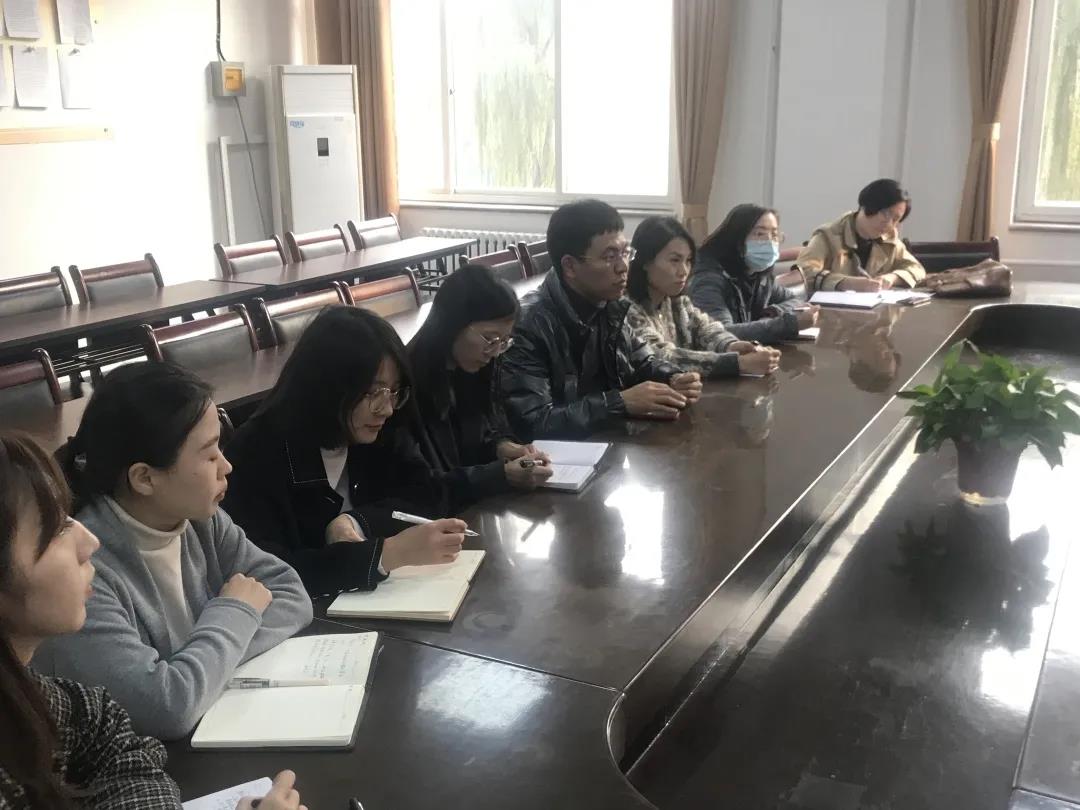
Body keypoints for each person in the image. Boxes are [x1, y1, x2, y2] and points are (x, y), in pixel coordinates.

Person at [0, 431, 307, 810]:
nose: (88, 542)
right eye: (53, 530)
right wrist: (227, 629)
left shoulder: (52, 700)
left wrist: (209, 660)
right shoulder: (107, 567)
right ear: (143, 477)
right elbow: (169, 703)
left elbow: (122, 755)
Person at [32, 363, 314, 742]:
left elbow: (291, 594)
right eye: (209, 455)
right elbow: (167, 707)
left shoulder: (200, 521)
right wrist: (235, 614)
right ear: (145, 478)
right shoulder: (83, 572)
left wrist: (200, 666)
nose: (227, 466)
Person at [223, 306, 468, 599]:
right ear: (327, 386)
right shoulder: (256, 452)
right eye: (373, 392)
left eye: (394, 391)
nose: (386, 409)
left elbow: (428, 493)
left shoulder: (378, 428)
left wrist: (357, 521)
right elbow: (265, 572)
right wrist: (385, 554)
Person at [500, 199, 703, 439]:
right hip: (557, 457)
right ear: (570, 266)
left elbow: (641, 360)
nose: (623, 267)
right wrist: (618, 402)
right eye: (610, 256)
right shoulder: (529, 324)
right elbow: (533, 422)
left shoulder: (608, 302)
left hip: (607, 442)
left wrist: (672, 377)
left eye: (625, 253)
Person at [408, 264, 553, 499]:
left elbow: (480, 435)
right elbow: (420, 486)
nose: (494, 352)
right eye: (490, 338)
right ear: (453, 324)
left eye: (504, 341)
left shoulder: (473, 370)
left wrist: (501, 447)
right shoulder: (405, 387)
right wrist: (501, 476)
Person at [626, 216, 780, 378]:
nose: (684, 271)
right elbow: (660, 358)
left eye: (688, 261)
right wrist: (737, 363)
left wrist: (732, 345)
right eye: (675, 260)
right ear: (646, 261)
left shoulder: (676, 301)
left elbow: (706, 329)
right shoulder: (626, 309)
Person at [688, 203, 819, 343]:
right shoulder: (708, 280)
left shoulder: (757, 275)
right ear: (736, 238)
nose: (770, 242)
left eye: (774, 235)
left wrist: (773, 312)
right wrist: (787, 324)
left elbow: (796, 300)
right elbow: (721, 334)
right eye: (760, 234)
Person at [797, 178, 926, 292]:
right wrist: (845, 283)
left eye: (896, 219)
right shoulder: (829, 235)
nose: (889, 224)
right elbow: (802, 273)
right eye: (885, 214)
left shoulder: (889, 239)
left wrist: (892, 278)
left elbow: (917, 269)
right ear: (868, 205)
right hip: (827, 310)